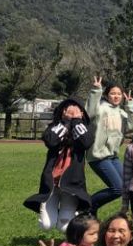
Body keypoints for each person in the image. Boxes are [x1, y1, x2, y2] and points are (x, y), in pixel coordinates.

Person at [25, 99, 94, 231]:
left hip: (72, 186)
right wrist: (66, 122)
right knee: (46, 225)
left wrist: (76, 121)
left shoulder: (85, 128)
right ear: (62, 112)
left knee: (64, 228)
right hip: (52, 185)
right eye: (69, 109)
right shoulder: (53, 127)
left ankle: (71, 215)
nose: (72, 112)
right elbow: (51, 141)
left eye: (76, 109)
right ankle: (50, 210)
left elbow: (86, 142)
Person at [85, 76, 133, 216]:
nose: (116, 96)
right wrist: (96, 91)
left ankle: (91, 210)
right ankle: (88, 206)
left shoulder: (121, 112)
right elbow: (89, 113)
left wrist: (129, 107)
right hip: (98, 155)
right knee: (117, 189)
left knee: (127, 186)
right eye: (112, 93)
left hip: (112, 156)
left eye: (119, 94)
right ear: (106, 95)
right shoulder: (101, 108)